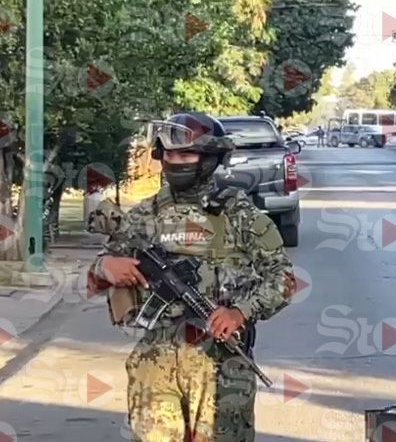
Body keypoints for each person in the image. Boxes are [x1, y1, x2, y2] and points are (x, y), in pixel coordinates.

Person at [89, 112, 294, 442]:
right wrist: (107, 266)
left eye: (186, 154)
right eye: (169, 155)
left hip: (219, 363)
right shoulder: (145, 214)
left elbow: (283, 277)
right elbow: (99, 267)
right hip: (156, 360)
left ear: (210, 158)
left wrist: (240, 312)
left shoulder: (238, 213)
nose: (175, 162)